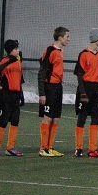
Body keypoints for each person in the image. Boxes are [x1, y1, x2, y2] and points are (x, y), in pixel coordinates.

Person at [74, 28, 98, 158]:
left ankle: (93, 149)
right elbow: (79, 75)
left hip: (96, 88)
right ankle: (79, 148)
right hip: (85, 88)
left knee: (96, 117)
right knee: (82, 117)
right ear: (95, 38)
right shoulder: (83, 54)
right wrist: (83, 93)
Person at [37, 26, 70, 157]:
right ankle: (43, 149)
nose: (68, 39)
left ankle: (50, 147)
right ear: (60, 37)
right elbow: (41, 72)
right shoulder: (50, 51)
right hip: (49, 87)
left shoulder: (60, 51)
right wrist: (42, 93)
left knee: (56, 118)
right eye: (67, 36)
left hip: (57, 87)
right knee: (47, 117)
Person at [0, 39, 24, 156]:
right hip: (5, 94)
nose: (18, 51)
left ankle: (10, 147)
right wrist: (9, 61)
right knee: (4, 120)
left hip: (16, 95)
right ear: (10, 50)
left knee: (15, 120)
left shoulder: (18, 62)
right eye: (15, 49)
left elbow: (20, 80)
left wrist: (21, 95)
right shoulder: (4, 60)